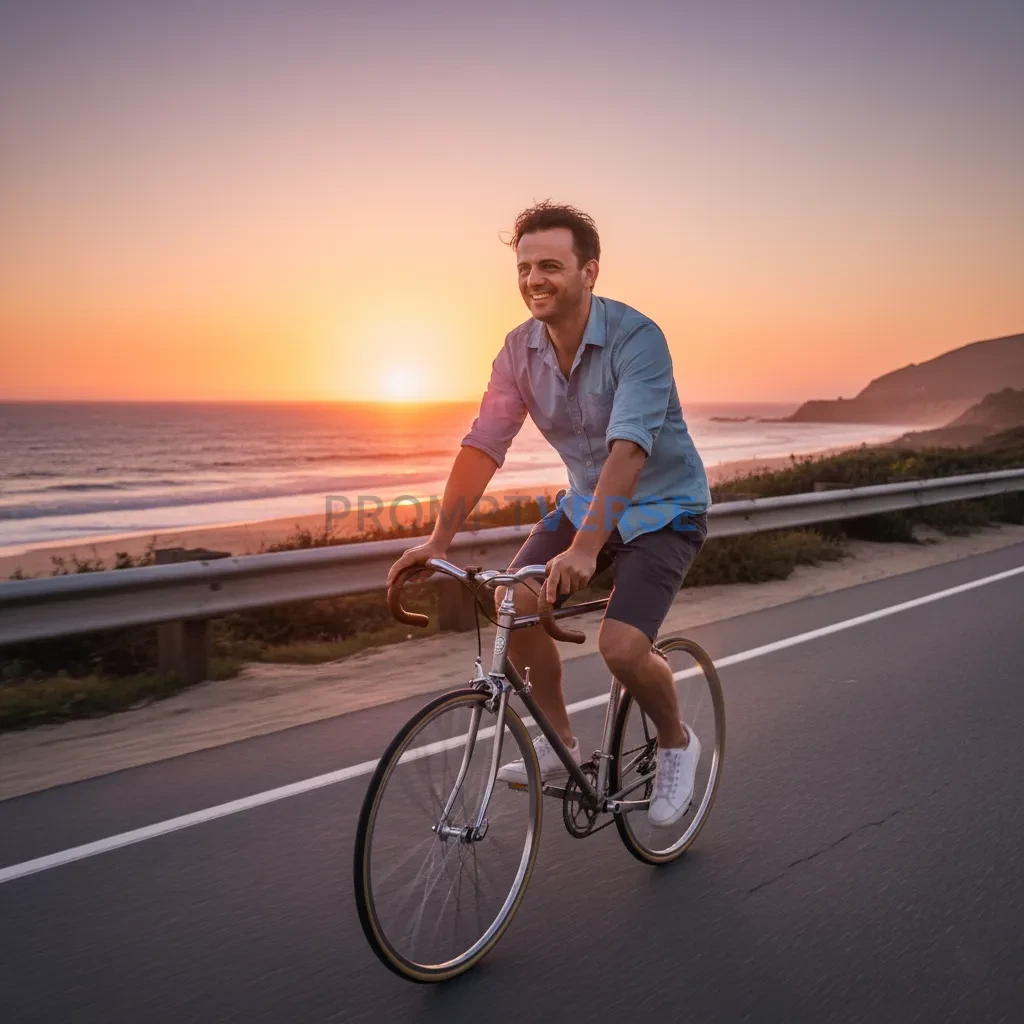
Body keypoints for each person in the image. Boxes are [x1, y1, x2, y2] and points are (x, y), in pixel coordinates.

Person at [387, 202, 711, 827]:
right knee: (512, 601)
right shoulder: (517, 350)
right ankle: (561, 742)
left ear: (589, 271)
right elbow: (484, 444)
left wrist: (587, 549)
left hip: (665, 509)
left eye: (551, 266)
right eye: (525, 266)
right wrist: (438, 539)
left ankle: (676, 742)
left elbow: (631, 446)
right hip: (587, 505)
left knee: (621, 648)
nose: (534, 279)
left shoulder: (637, 338)